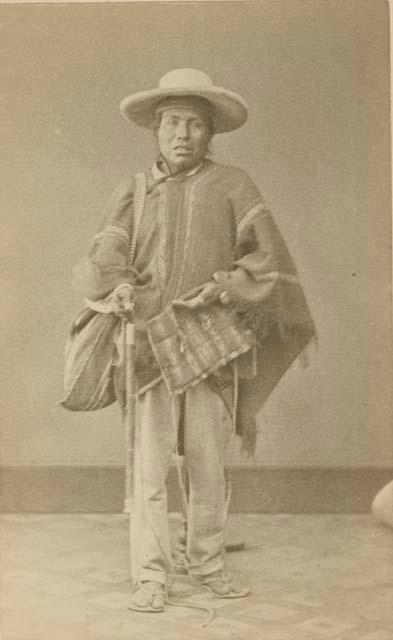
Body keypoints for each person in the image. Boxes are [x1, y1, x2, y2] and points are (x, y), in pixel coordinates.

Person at [71, 68, 315, 612]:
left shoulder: (234, 185)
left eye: (195, 125)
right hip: (148, 348)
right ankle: (151, 577)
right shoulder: (132, 190)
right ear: (155, 131)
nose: (183, 134)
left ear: (211, 134)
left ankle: (207, 563)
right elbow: (106, 256)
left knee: (208, 464)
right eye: (173, 123)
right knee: (150, 468)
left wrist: (226, 287)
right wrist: (122, 289)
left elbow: (265, 261)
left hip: (210, 344)